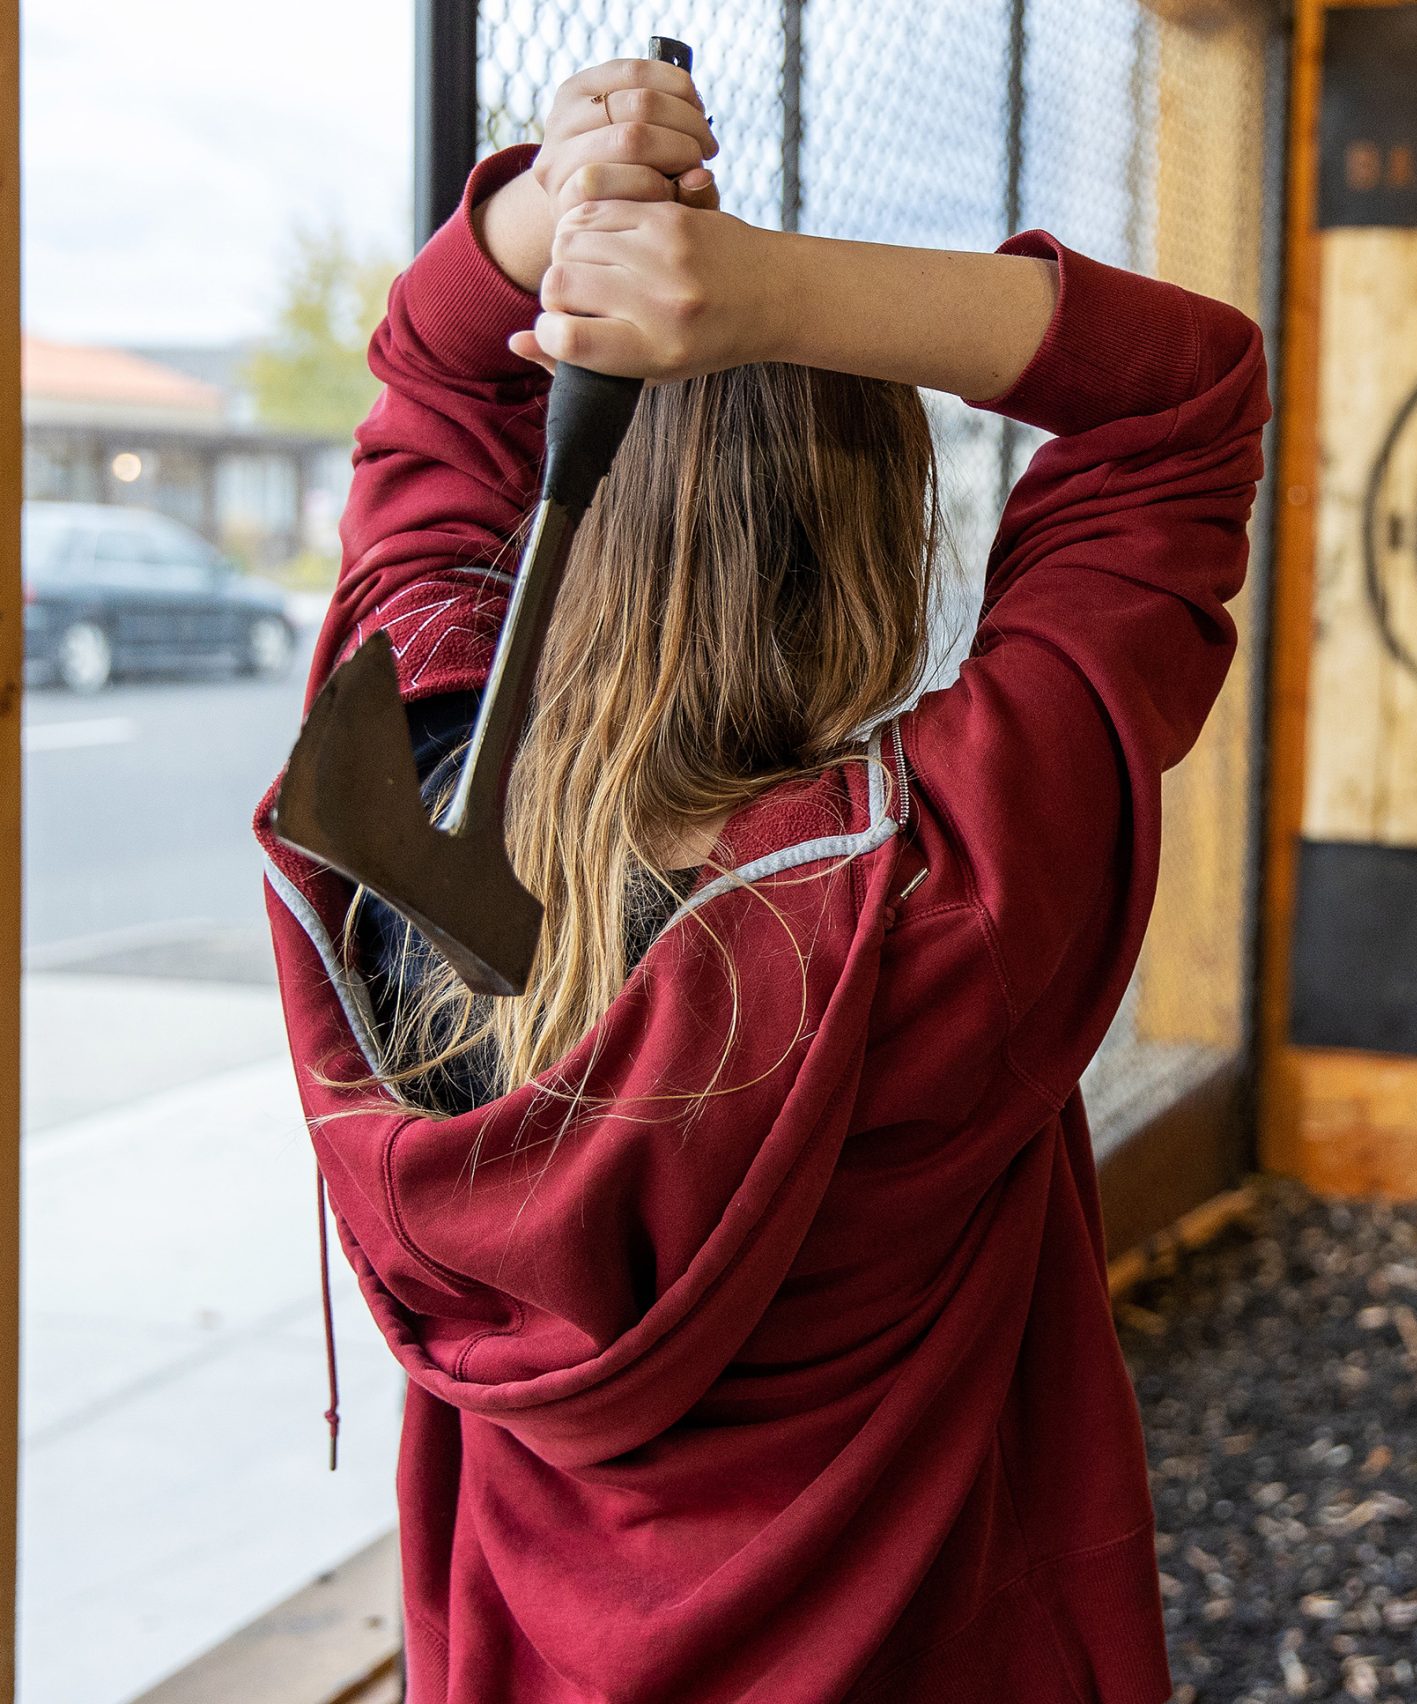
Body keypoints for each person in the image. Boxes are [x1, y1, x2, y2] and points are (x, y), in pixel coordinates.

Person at [255, 54, 1267, 1704]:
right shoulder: (948, 887)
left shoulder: (380, 823)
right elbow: (1189, 394)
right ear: (881, 556)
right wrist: (785, 298)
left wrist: (547, 209)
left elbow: (430, 381)